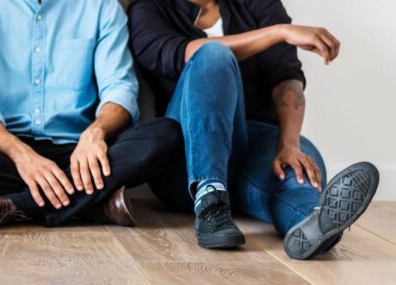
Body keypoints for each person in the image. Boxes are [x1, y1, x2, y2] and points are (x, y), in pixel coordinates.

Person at [128, 0, 380, 258]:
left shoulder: (258, 3)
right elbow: (184, 53)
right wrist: (278, 32)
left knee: (298, 170)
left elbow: (285, 78)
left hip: (252, 145)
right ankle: (209, 197)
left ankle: (312, 222)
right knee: (213, 55)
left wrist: (289, 144)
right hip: (186, 157)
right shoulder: (148, 9)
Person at [0, 0, 181, 233]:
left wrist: (95, 133)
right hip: (4, 155)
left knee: (165, 134)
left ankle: (7, 206)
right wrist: (22, 155)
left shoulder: (102, 7)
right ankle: (92, 205)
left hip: (81, 156)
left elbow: (120, 90)